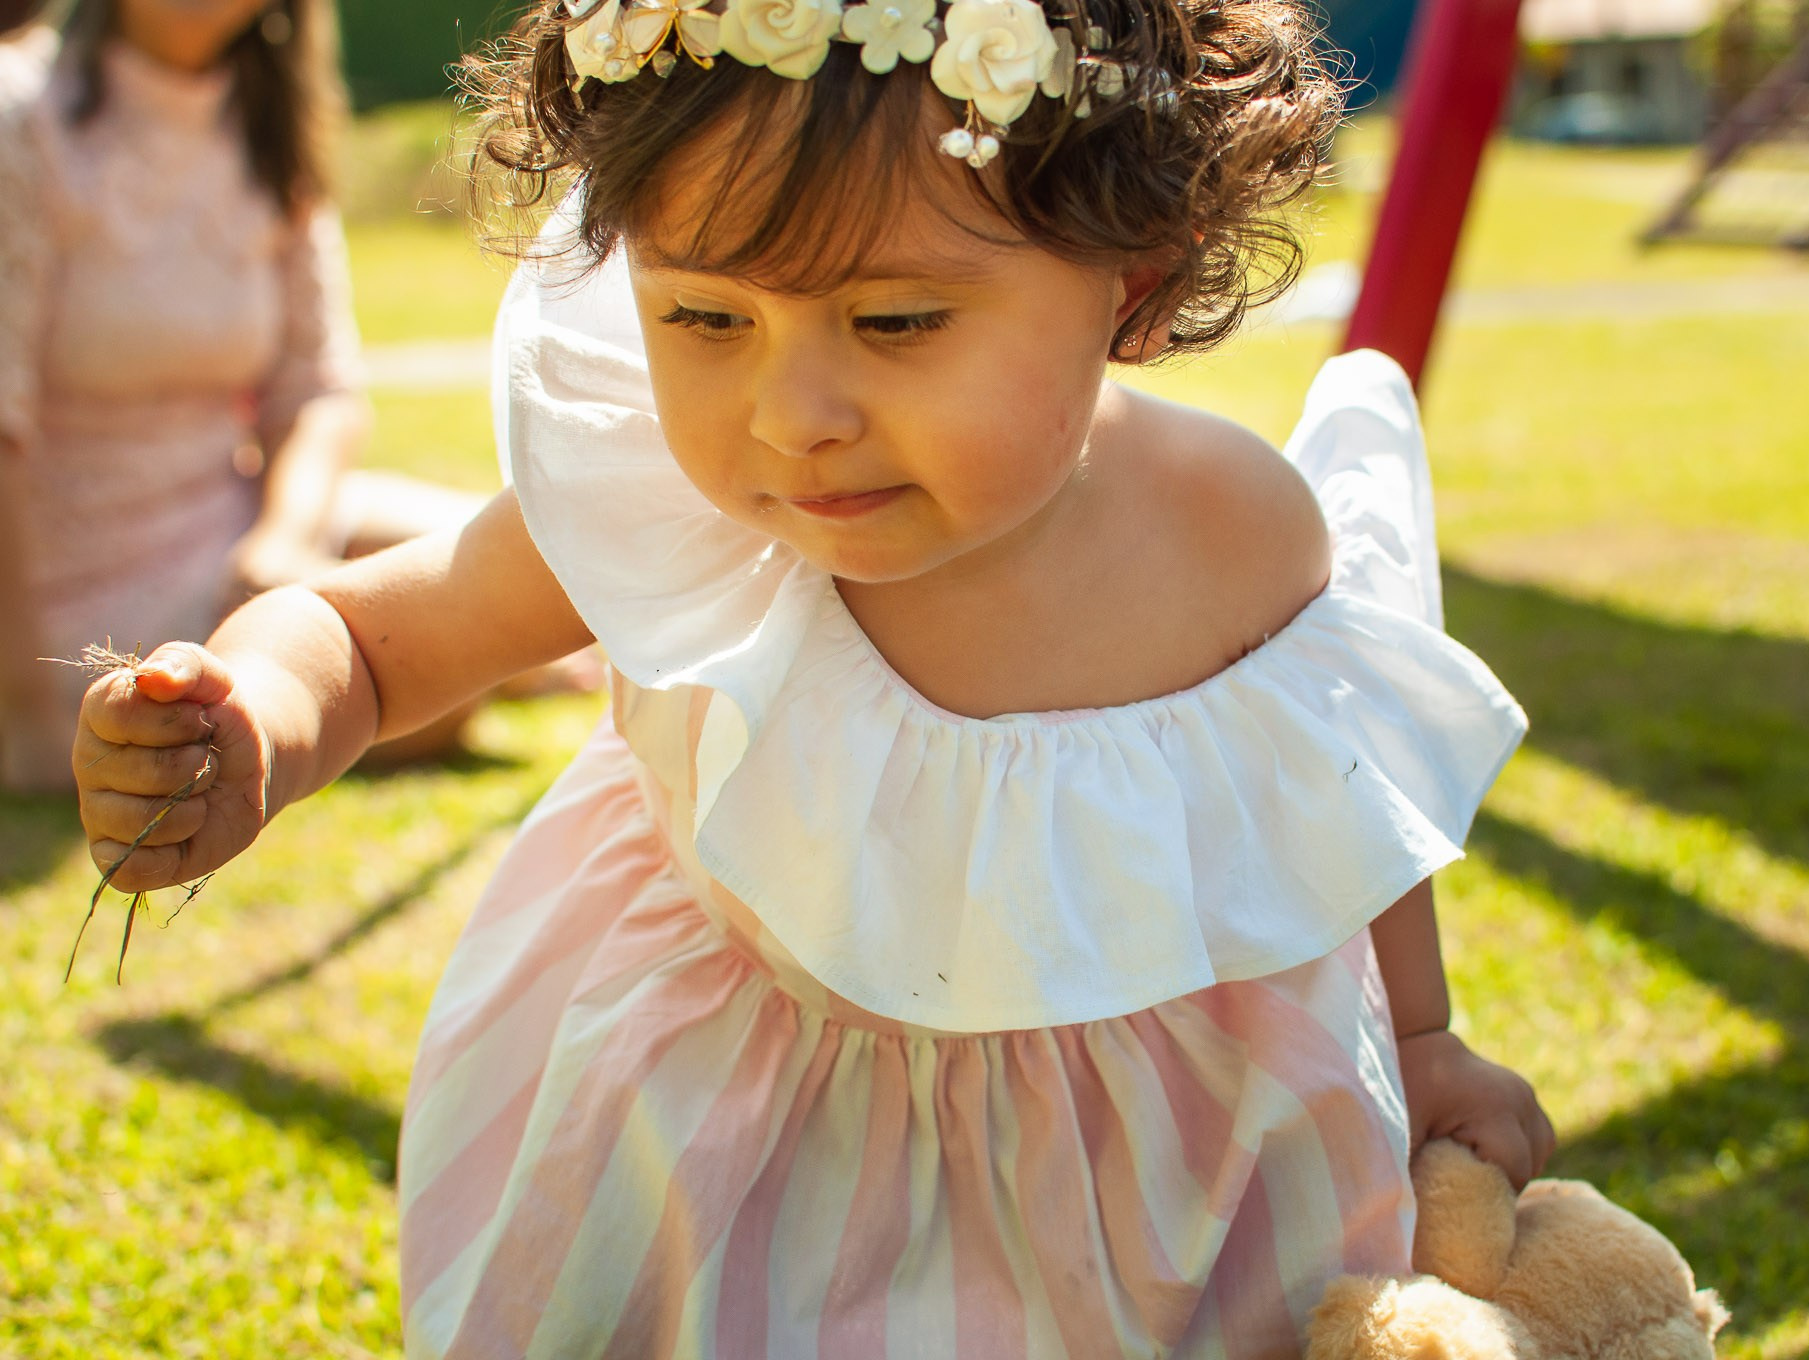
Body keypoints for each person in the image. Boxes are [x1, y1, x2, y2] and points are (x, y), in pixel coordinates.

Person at [73, 0, 1554, 1351]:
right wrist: (258, 720)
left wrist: (1419, 1041)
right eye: (705, 318)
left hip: (1150, 1189)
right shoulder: (671, 509)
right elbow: (379, 637)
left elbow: (1334, 808)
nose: (793, 415)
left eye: (896, 322)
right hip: (731, 1156)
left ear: (1135, 286)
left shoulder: (1231, 534)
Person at [0, 0, 493, 792]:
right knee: (440, 687)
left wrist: (278, 542)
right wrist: (23, 715)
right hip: (62, 578)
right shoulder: (18, 116)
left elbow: (320, 387)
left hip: (228, 520)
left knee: (512, 567)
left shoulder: (271, 125)